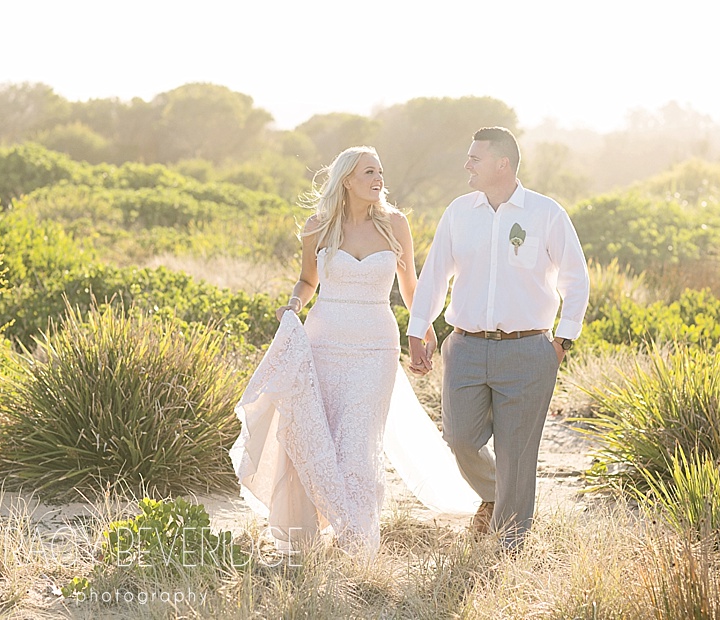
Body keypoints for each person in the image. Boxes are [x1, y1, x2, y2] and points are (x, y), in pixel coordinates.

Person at [231, 146, 477, 556]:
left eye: (380, 171)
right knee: (318, 439)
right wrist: (294, 305)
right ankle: (313, 535)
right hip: (323, 342)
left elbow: (411, 285)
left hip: (376, 346)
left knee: (358, 443)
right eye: (368, 172)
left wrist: (425, 329)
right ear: (347, 180)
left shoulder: (395, 225)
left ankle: (358, 545)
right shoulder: (318, 227)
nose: (378, 178)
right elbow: (306, 281)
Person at [406, 127, 590, 550]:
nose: (467, 164)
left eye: (475, 158)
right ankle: (494, 495)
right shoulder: (458, 212)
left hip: (529, 350)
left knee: (517, 455)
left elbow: (575, 280)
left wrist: (562, 342)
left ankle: (509, 549)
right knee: (460, 438)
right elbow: (435, 276)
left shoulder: (546, 213)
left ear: (501, 164)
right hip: (466, 346)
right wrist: (418, 330)